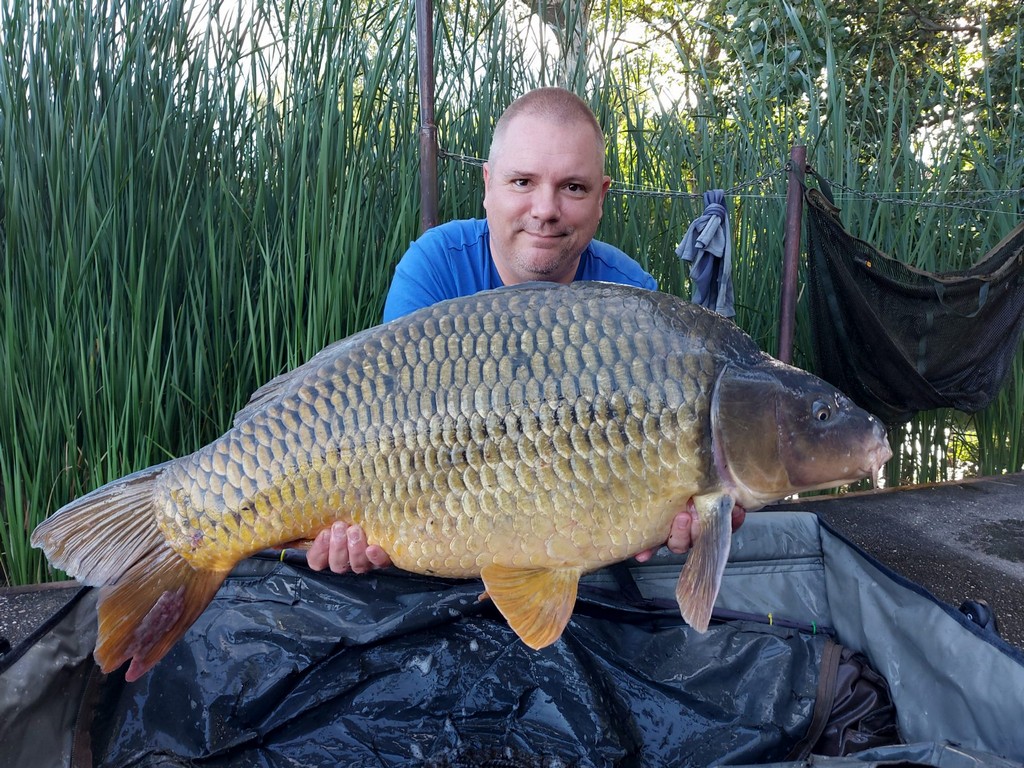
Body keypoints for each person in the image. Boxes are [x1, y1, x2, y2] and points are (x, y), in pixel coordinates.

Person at [307, 87, 744, 575]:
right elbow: (388, 433)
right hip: (442, 538)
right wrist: (347, 526)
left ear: (601, 197)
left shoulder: (633, 302)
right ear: (488, 184)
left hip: (574, 554)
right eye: (522, 182)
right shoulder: (435, 267)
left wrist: (681, 514)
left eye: (572, 188)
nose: (545, 209)